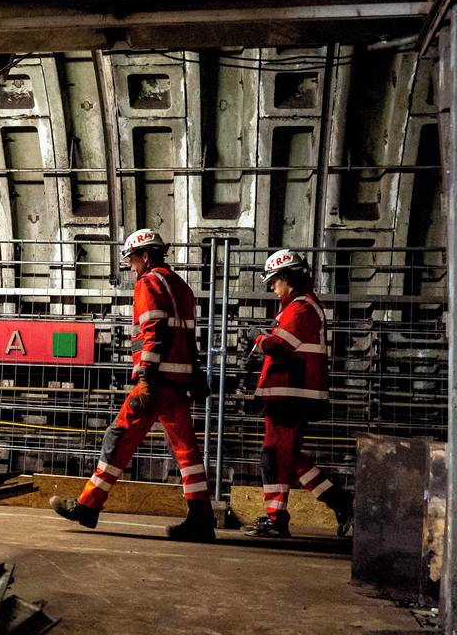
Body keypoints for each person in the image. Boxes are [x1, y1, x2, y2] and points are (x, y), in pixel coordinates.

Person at [49, 228, 215, 542]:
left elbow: (152, 330)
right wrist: (194, 375)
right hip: (178, 383)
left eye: (132, 258)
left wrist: (145, 378)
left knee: (118, 437)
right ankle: (201, 518)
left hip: (156, 382)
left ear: (146, 256)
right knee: (187, 452)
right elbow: (188, 337)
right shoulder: (182, 287)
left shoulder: (149, 282)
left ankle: (87, 506)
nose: (130, 265)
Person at [246, 249, 353, 538]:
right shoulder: (298, 307)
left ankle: (277, 519)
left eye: (273, 281)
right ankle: (342, 504)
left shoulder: (301, 308)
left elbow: (280, 347)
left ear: (287, 277)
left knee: (274, 456)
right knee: (288, 457)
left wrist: (257, 337)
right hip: (290, 394)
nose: (272, 287)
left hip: (291, 395)